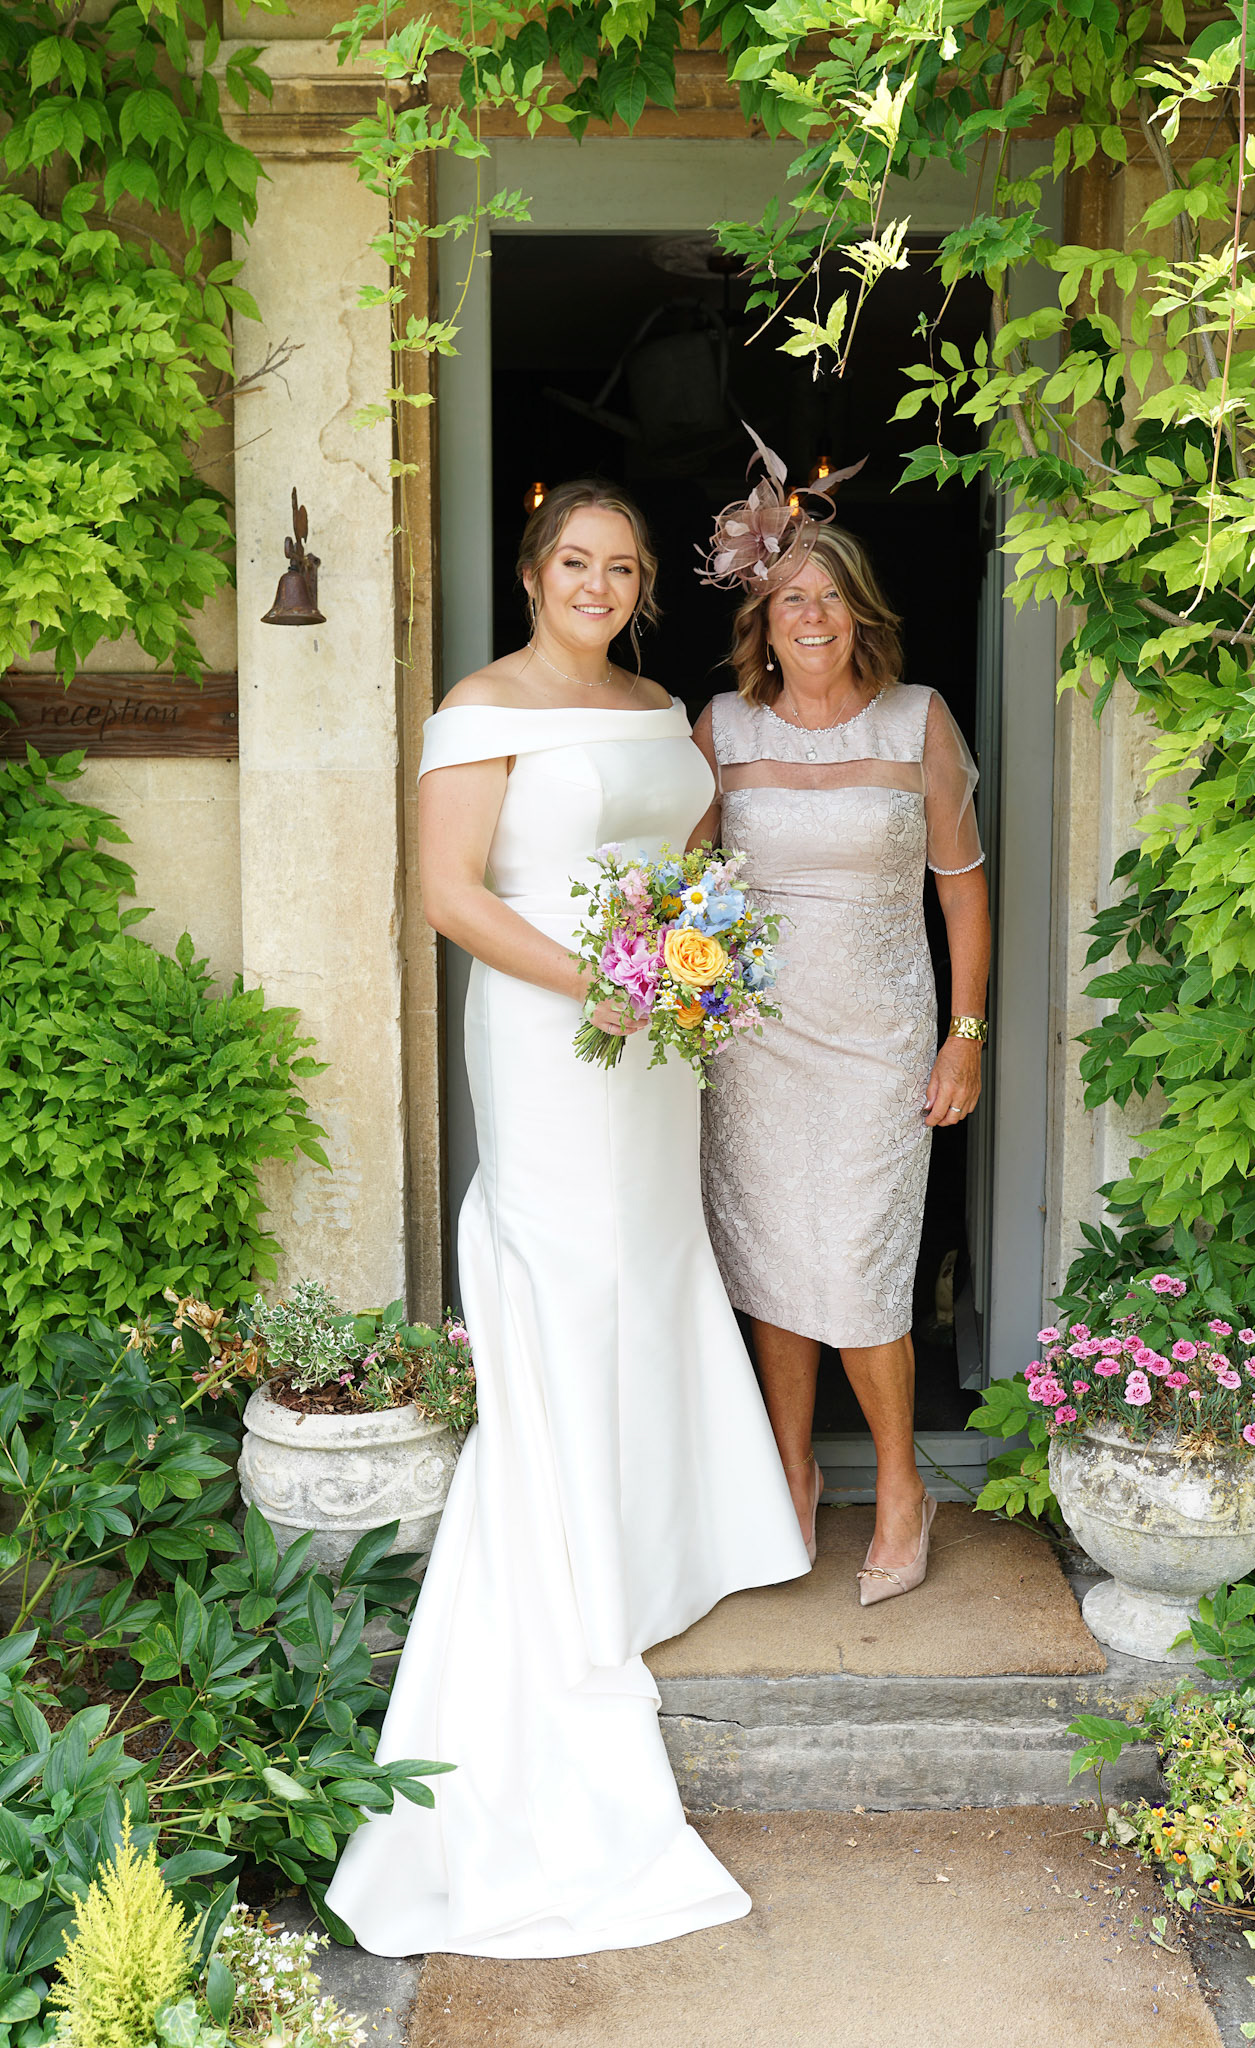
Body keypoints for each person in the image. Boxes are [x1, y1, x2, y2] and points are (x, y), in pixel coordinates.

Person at [325, 480, 810, 1958]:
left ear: (642, 586)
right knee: (571, 1267)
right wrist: (598, 977)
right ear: (534, 573)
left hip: (654, 1031)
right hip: (555, 1033)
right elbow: (449, 894)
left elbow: (691, 838)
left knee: (650, 1262)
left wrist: (688, 941)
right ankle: (577, 1561)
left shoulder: (659, 708)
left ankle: (649, 1543)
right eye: (577, 563)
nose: (600, 584)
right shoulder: (480, 710)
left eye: (623, 567)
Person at [690, 431, 991, 1608]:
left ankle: (903, 1488)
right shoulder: (723, 728)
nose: (810, 615)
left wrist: (965, 1034)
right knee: (773, 1259)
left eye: (828, 596)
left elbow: (961, 890)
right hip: (754, 1043)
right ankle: (791, 1472)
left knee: (862, 1267)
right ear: (761, 620)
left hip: (879, 1041)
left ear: (860, 612)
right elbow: (682, 891)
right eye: (788, 599)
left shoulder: (918, 719)